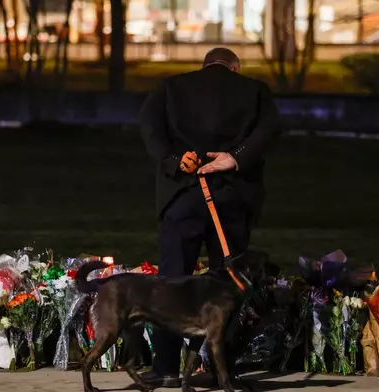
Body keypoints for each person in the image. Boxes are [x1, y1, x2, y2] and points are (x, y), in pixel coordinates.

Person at [138, 47, 280, 386]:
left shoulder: (171, 87)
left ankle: (166, 367)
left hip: (182, 194)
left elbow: (149, 125)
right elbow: (271, 128)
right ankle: (222, 368)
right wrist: (234, 157)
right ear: (235, 67)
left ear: (203, 65)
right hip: (231, 198)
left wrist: (174, 161)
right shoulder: (254, 90)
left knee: (171, 280)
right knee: (228, 283)